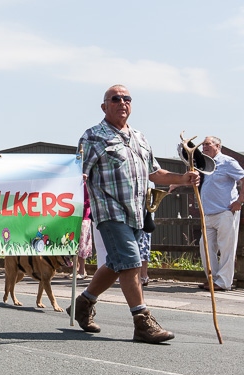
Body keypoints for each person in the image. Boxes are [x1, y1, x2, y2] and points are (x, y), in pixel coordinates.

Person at [67, 84, 200, 344]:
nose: (122, 102)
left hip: (138, 212)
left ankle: (83, 304)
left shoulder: (139, 137)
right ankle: (142, 321)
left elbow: (155, 173)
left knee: (118, 263)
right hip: (109, 210)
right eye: (115, 99)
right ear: (104, 106)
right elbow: (77, 172)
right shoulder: (93, 136)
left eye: (127, 98)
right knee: (131, 261)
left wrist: (184, 178)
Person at [195, 136, 244, 291]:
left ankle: (223, 282)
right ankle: (213, 279)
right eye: (203, 145)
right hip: (207, 214)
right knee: (205, 248)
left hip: (225, 212)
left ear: (218, 146)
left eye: (207, 144)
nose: (204, 147)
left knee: (226, 249)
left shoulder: (228, 162)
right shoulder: (204, 164)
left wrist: (239, 201)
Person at [70, 184, 92, 280]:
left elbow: (88, 201)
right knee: (73, 243)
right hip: (72, 216)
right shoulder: (72, 183)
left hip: (84, 217)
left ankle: (82, 270)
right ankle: (76, 269)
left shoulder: (84, 184)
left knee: (82, 244)